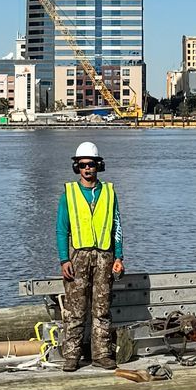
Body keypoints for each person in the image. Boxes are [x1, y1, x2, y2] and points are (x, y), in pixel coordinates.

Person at [56, 139, 122, 372]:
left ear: (98, 166)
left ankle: (102, 354)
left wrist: (119, 257)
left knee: (102, 309)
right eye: (83, 164)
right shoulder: (69, 193)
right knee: (75, 309)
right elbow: (61, 229)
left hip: (105, 256)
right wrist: (64, 259)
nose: (87, 168)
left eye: (91, 164)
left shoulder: (109, 192)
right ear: (77, 167)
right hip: (78, 257)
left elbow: (117, 226)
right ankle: (71, 356)